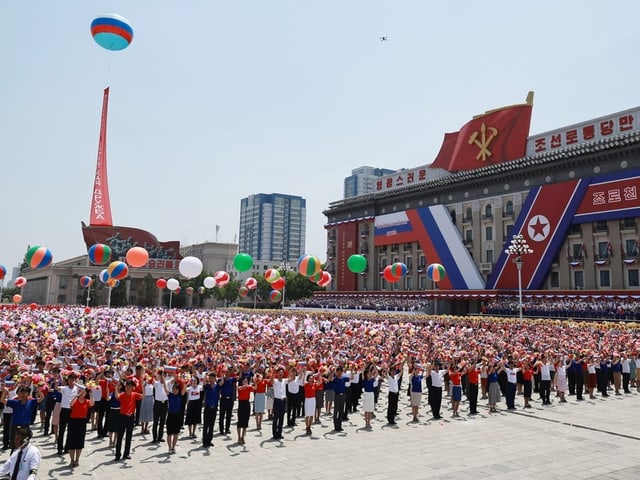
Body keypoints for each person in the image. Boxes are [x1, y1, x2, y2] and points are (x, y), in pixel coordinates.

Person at [113, 379, 142, 461]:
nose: (128, 388)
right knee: (120, 437)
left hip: (131, 417)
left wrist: (143, 386)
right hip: (122, 417)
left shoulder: (134, 394)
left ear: (132, 387)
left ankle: (126, 454)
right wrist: (116, 389)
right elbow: (116, 396)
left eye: (129, 386)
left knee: (129, 437)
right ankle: (117, 455)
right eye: (126, 386)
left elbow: (142, 396)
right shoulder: (122, 394)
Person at [67, 386, 94, 468]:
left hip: (82, 422)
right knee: (71, 442)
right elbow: (70, 404)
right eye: (81, 392)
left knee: (79, 442)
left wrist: (91, 394)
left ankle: (77, 460)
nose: (82, 394)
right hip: (73, 422)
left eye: (84, 392)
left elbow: (92, 404)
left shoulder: (87, 401)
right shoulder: (75, 400)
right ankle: (71, 460)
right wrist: (76, 395)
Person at [166, 381, 187, 454]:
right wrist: (162, 378)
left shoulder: (180, 395)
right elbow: (165, 389)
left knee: (176, 433)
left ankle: (173, 447)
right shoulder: (170, 395)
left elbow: (184, 388)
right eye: (173, 389)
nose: (174, 390)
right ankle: (169, 447)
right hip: (170, 415)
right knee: (169, 433)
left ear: (178, 390)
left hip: (178, 416)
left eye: (176, 389)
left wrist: (185, 380)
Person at [327, 366, 349, 432]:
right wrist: (332, 371)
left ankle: (340, 425)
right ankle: (336, 426)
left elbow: (351, 378)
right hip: (337, 395)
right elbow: (330, 379)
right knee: (336, 410)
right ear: (336, 372)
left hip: (343, 395)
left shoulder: (343, 378)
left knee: (341, 411)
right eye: (338, 372)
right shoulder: (335, 378)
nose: (339, 373)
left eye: (340, 372)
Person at [202, 372, 220, 448]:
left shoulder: (217, 386)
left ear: (215, 378)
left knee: (212, 424)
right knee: (206, 425)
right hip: (207, 407)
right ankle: (204, 441)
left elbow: (222, 381)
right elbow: (203, 382)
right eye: (209, 378)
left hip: (214, 407)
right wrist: (205, 375)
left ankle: (209, 440)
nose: (210, 379)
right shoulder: (207, 386)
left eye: (212, 378)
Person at [152, 369, 169, 444]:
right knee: (155, 421)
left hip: (164, 403)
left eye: (164, 375)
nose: (162, 377)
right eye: (161, 375)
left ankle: (160, 437)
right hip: (157, 403)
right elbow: (151, 379)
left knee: (162, 421)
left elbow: (175, 378)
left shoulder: (167, 383)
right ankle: (154, 437)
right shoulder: (156, 383)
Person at [270, 367, 287, 440]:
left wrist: (293, 369)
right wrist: (273, 373)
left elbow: (292, 379)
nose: (281, 373)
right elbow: (271, 381)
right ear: (277, 373)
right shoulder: (275, 381)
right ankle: (274, 434)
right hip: (277, 401)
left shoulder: (284, 380)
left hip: (283, 401)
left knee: (281, 418)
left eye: (282, 372)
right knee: (275, 418)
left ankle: (279, 433)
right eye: (279, 372)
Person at [236, 377, 254, 444]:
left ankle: (243, 437)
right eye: (244, 381)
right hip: (241, 404)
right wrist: (245, 386)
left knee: (245, 421)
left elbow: (255, 389)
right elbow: (240, 388)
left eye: (246, 381)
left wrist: (256, 381)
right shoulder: (239, 387)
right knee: (240, 421)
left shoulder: (248, 387)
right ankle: (238, 437)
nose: (245, 382)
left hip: (247, 403)